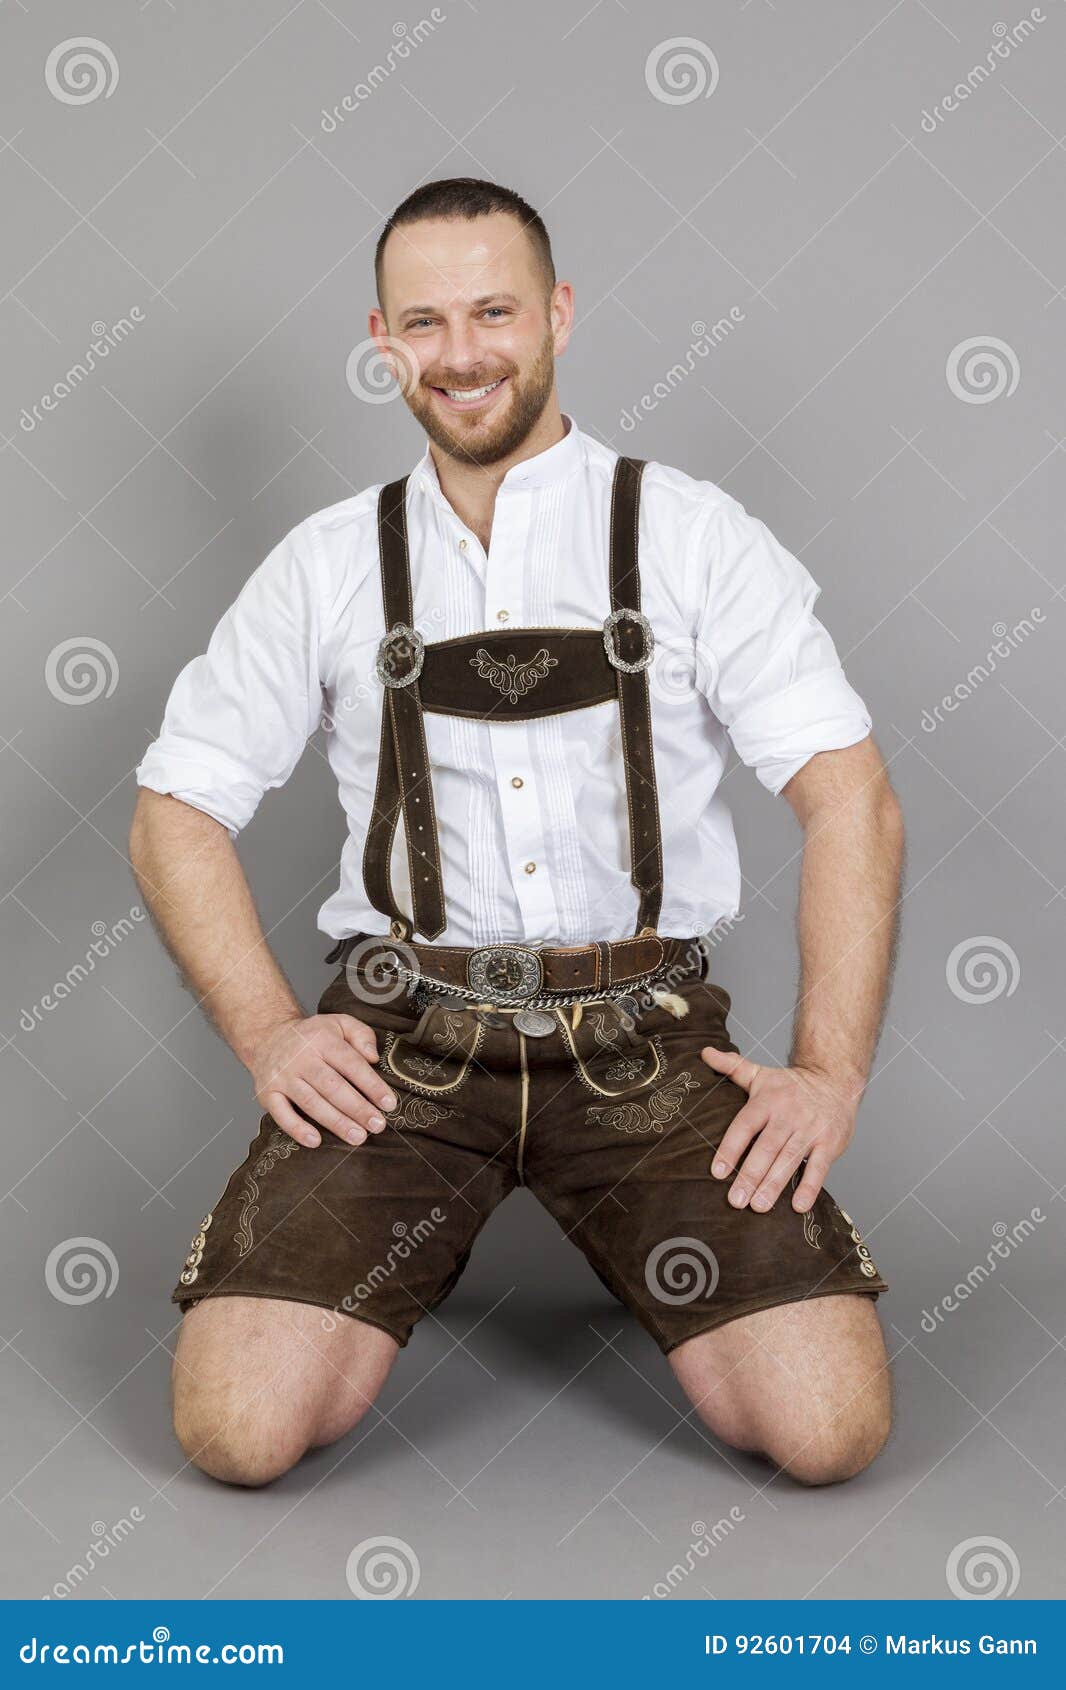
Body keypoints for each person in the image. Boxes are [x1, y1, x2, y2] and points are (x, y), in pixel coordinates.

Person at [130, 177, 903, 1492]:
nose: (464, 353)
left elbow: (853, 804)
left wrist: (827, 1072)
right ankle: (405, 1236)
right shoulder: (327, 563)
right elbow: (173, 813)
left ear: (555, 313)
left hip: (644, 1038)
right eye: (424, 323)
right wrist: (271, 1033)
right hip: (404, 1045)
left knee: (826, 1431)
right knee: (236, 1431)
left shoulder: (690, 537)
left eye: (492, 310)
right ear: (382, 338)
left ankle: (621, 1223)